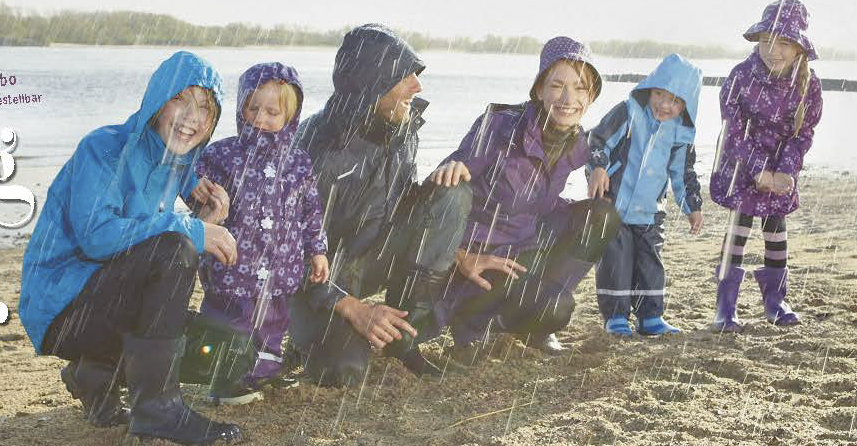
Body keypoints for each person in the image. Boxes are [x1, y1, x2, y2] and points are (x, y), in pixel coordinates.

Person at [17, 51, 243, 446]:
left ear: (213, 122)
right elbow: (99, 236)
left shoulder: (179, 163)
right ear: (157, 101)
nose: (192, 117)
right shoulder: (103, 148)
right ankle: (157, 409)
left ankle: (95, 373)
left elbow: (152, 212)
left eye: (205, 109)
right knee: (176, 249)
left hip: (104, 303)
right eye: (181, 100)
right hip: (61, 308)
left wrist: (201, 203)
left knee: (233, 353)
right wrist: (190, 227)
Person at [288, 24, 477, 386]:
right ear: (372, 82)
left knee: (453, 194)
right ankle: (308, 340)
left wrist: (443, 187)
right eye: (404, 76)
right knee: (341, 373)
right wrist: (354, 309)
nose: (416, 86)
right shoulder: (316, 151)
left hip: (371, 257)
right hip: (314, 282)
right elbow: (288, 251)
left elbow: (401, 205)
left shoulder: (401, 129)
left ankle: (404, 337)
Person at [429, 36, 620, 361]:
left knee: (601, 217)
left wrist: (598, 166)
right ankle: (472, 324)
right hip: (477, 259)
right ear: (539, 90)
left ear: (591, 97)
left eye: (580, 88)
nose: (568, 98)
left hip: (522, 249)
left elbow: (592, 154)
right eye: (557, 85)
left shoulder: (576, 142)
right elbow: (451, 177)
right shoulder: (501, 126)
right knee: (520, 298)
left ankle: (536, 325)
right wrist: (460, 255)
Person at [188, 62, 327, 404]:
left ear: (289, 117)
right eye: (253, 108)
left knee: (273, 323)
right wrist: (197, 189)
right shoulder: (222, 154)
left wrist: (318, 249)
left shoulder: (298, 162)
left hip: (281, 264)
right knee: (230, 319)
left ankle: (261, 374)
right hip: (233, 263)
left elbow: (310, 210)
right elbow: (192, 187)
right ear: (240, 107)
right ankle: (226, 379)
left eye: (272, 112)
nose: (260, 118)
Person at [708, 0, 825, 332]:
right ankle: (725, 305)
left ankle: (776, 301)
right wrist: (758, 168)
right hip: (744, 164)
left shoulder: (808, 84)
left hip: (779, 170)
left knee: (776, 231)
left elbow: (803, 133)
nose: (774, 49)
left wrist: (784, 171)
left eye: (784, 43)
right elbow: (731, 130)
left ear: (799, 48)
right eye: (767, 40)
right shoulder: (741, 77)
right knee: (738, 230)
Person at [587, 53, 705, 336]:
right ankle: (615, 316)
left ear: (686, 105)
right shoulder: (628, 112)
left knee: (649, 261)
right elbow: (597, 139)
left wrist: (692, 206)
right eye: (660, 94)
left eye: (675, 101)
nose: (665, 105)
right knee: (616, 260)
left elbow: (683, 172)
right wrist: (599, 167)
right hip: (613, 203)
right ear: (649, 88)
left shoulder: (681, 134)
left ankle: (650, 316)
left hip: (650, 210)